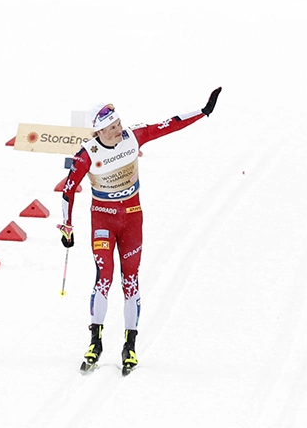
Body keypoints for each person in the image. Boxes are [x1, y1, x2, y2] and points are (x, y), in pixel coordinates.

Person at [60, 91, 222, 375]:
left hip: (132, 219)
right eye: (111, 127)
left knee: (130, 281)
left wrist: (203, 111)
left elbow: (168, 124)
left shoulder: (133, 137)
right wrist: (67, 226)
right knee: (104, 278)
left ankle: (130, 345)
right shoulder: (87, 154)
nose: (118, 129)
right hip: (103, 220)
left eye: (118, 122)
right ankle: (95, 342)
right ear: (99, 131)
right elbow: (68, 190)